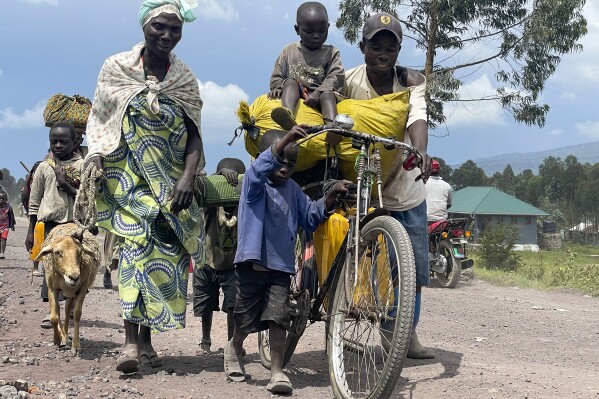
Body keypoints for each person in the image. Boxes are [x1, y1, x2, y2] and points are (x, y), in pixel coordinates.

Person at [86, 0, 205, 374]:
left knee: (163, 260)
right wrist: (96, 160)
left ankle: (149, 338)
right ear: (144, 26)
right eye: (160, 27)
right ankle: (129, 342)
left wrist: (188, 176)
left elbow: (194, 136)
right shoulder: (116, 68)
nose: (167, 35)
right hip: (128, 180)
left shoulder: (184, 77)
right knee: (135, 250)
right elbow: (101, 120)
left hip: (173, 185)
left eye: (175, 29)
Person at [223, 127, 350, 394]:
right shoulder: (253, 184)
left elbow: (310, 217)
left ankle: (277, 371)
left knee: (278, 318)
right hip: (252, 264)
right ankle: (235, 347)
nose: (285, 167)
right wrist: (286, 141)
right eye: (280, 159)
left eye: (291, 163)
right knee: (245, 318)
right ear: (266, 157)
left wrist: (329, 199)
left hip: (280, 267)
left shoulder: (293, 190)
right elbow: (259, 170)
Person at [343, 12, 434, 359]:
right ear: (362, 46)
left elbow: (417, 115)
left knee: (412, 270)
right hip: (361, 187)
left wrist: (421, 151)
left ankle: (403, 334)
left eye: (390, 47)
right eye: (376, 46)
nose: (383, 54)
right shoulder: (348, 80)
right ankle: (339, 317)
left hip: (404, 188)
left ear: (399, 49)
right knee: (350, 260)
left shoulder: (411, 79)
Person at [24, 121, 83, 327]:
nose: (58, 145)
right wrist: (31, 231)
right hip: (49, 226)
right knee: (51, 270)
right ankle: (53, 313)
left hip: (74, 226)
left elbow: (86, 198)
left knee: (74, 268)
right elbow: (34, 201)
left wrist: (65, 184)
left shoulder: (81, 166)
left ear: (74, 143)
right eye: (54, 141)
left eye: (63, 142)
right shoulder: (43, 168)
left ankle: (72, 309)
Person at [268, 1, 345, 144]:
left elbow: (336, 76)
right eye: (309, 32)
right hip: (297, 91)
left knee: (327, 95)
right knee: (290, 82)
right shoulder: (289, 50)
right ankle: (288, 116)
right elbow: (278, 73)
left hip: (321, 94)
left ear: (328, 27)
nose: (316, 36)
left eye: (322, 31)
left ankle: (332, 129)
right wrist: (277, 86)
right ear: (297, 30)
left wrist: (318, 93)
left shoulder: (331, 52)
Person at [192, 157, 245, 355]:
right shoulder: (212, 203)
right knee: (206, 304)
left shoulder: (243, 203)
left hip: (234, 264)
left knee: (233, 305)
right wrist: (219, 175)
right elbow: (202, 189)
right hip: (208, 260)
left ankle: (231, 343)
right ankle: (205, 339)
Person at [0, 192, 16, 260]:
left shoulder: (8, 207)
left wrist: (12, 225)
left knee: (4, 239)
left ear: (6, 199)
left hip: (5, 227)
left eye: (3, 199)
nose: (1, 200)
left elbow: (11, 216)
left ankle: (2, 253)